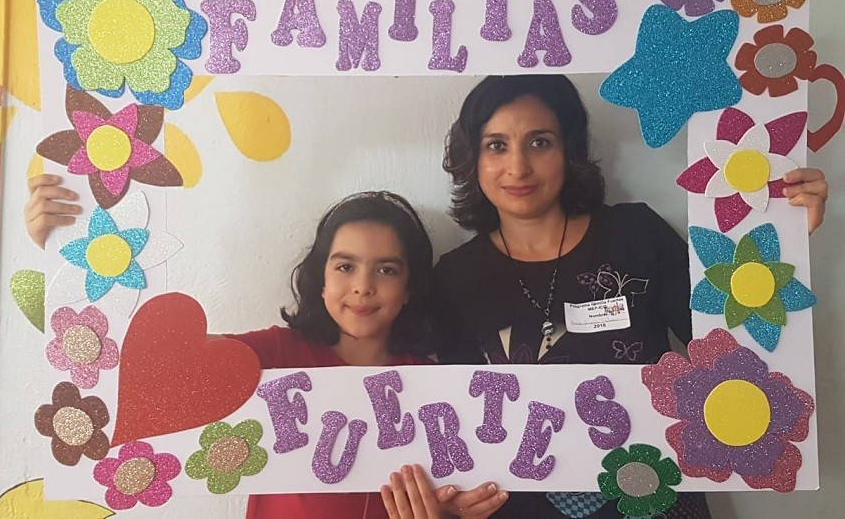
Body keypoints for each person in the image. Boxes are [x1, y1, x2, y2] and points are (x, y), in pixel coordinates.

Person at [432, 74, 828, 519]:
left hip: (657, 497)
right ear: (473, 158)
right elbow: (454, 418)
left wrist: (779, 249)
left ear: (569, 149)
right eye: (496, 145)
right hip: (519, 506)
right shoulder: (454, 276)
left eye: (539, 142)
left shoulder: (636, 233)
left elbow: (733, 349)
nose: (518, 167)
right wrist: (452, 495)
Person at [26, 182, 507, 519]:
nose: (363, 286)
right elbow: (144, 363)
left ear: (410, 287)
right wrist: (63, 249)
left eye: (386, 270)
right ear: (320, 280)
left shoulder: (435, 387)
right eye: (345, 266)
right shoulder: (274, 354)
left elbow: (454, 494)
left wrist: (450, 512)